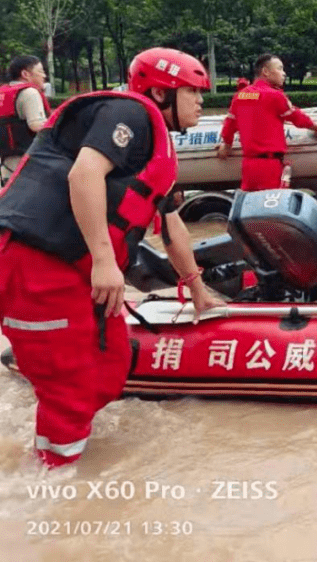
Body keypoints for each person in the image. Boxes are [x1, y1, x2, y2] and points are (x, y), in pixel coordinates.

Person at [0, 47, 224, 467]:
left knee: (112, 359)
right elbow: (83, 173)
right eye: (193, 92)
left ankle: (70, 441)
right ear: (161, 92)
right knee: (70, 385)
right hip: (34, 261)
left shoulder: (156, 146)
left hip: (70, 268)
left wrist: (198, 292)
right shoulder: (131, 115)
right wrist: (105, 262)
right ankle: (54, 486)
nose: (201, 102)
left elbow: (173, 225)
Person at [216, 54, 317, 191]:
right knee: (270, 206)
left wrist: (226, 144)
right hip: (269, 166)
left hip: (248, 166)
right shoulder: (274, 96)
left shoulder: (242, 95)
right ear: (265, 71)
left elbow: (230, 124)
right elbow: (299, 119)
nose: (284, 73)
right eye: (280, 69)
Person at [0, 55, 50, 185]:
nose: (44, 76)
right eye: (41, 71)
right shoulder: (30, 93)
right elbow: (36, 125)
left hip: (7, 163)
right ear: (25, 74)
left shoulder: (4, 93)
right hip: (29, 163)